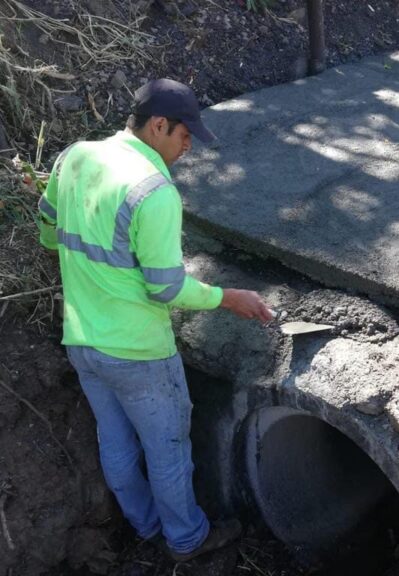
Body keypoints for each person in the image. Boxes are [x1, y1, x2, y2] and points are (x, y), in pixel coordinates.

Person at [37, 78, 273, 561]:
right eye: (185, 136)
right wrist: (228, 297)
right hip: (140, 352)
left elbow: (47, 232)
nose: (188, 147)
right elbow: (166, 288)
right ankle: (187, 539)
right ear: (158, 124)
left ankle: (145, 526)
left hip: (82, 340)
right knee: (168, 452)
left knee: (116, 444)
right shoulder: (153, 191)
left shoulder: (74, 157)